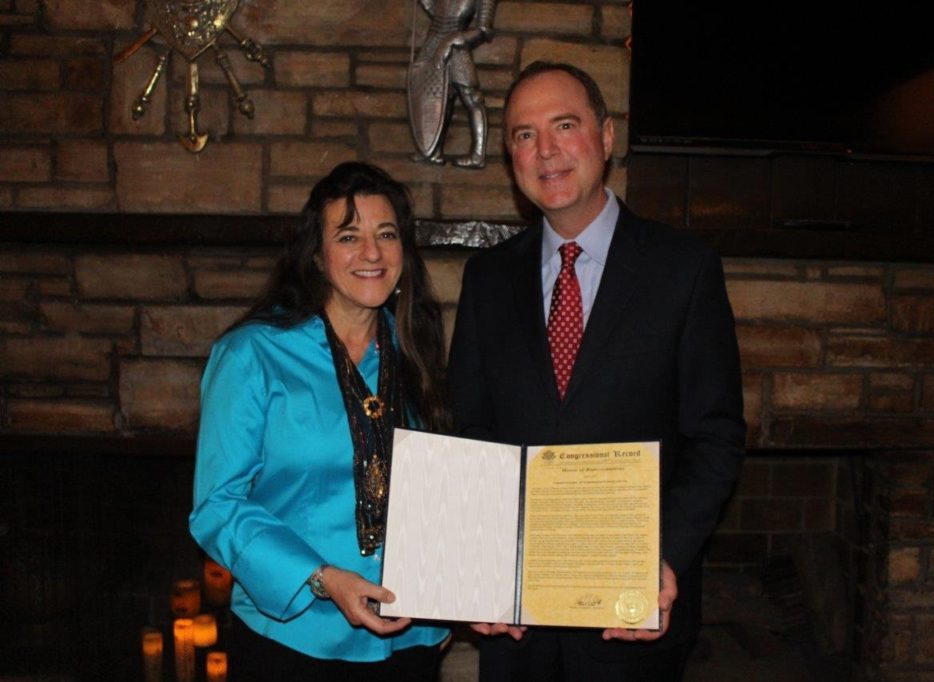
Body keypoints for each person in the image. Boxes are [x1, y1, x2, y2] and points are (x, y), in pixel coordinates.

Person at [447, 62, 746, 680]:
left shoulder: (683, 270)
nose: (546, 151)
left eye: (564, 125)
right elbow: (470, 432)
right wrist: (477, 568)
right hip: (516, 626)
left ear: (607, 137)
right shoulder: (487, 278)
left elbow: (715, 436)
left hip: (631, 620)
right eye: (524, 135)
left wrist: (661, 559)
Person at [190, 162, 450, 681]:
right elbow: (217, 506)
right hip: (296, 641)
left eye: (386, 234)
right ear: (316, 254)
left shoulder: (417, 349)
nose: (371, 252)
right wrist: (324, 579)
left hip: (413, 639)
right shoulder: (251, 356)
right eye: (349, 236)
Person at [409, 0, 496, 168]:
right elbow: (437, 13)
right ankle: (433, 150)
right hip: (433, 42)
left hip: (456, 47)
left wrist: (454, 40)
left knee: (472, 98)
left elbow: (483, 30)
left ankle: (477, 155)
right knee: (439, 97)